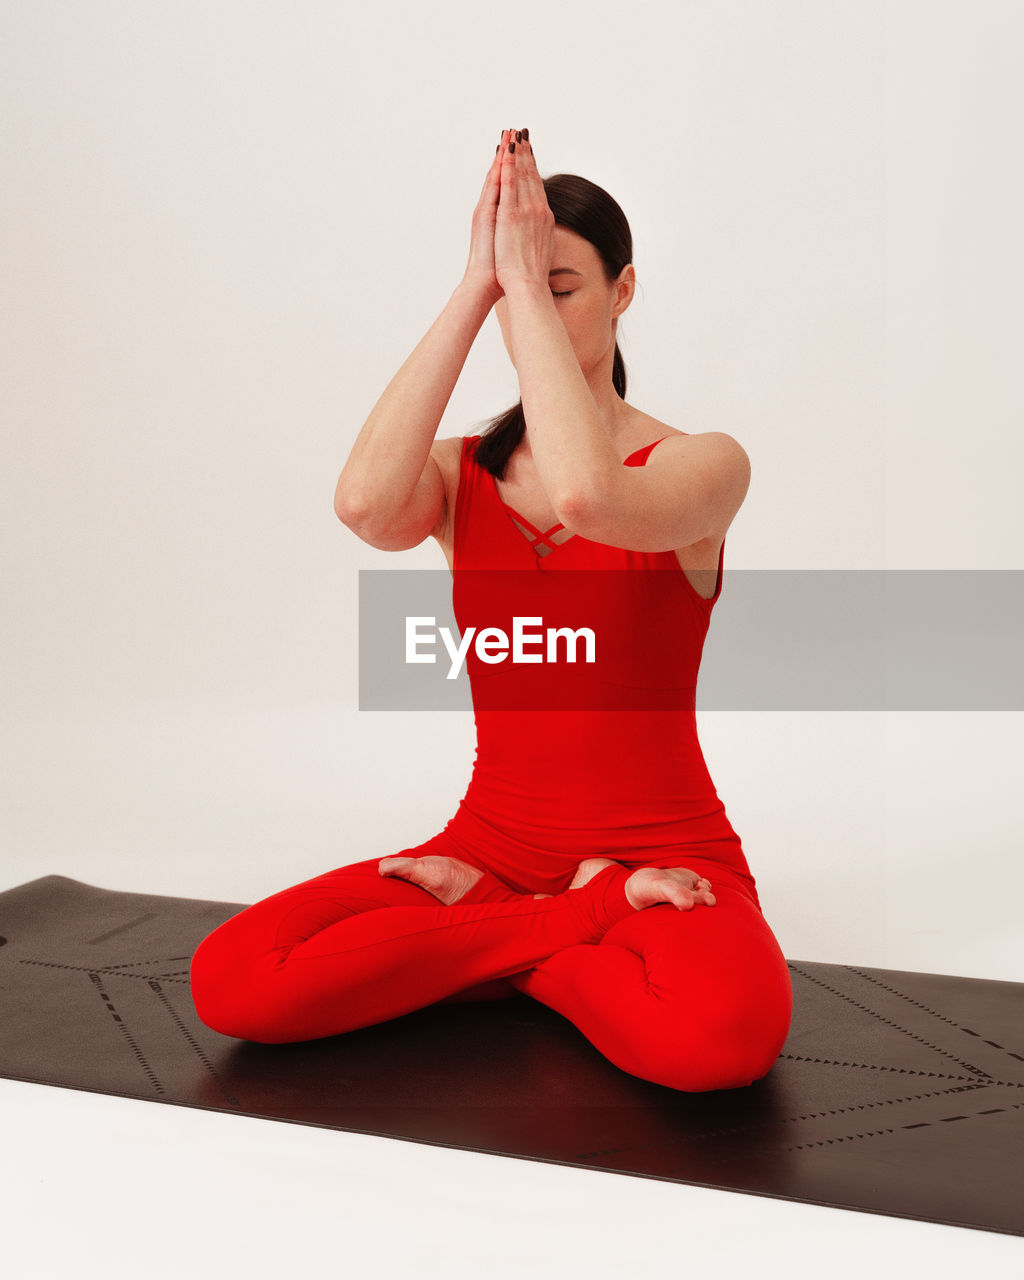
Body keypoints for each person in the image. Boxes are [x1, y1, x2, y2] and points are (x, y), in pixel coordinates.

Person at [189, 127, 793, 1092]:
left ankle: (497, 948)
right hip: (488, 854)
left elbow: (591, 495)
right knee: (235, 982)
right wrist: (481, 284)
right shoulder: (459, 475)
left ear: (622, 292)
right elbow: (362, 507)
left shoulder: (702, 466)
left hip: (666, 856)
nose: (534, 314)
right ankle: (574, 925)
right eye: (520, 294)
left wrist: (524, 292)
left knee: (717, 1044)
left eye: (559, 289)